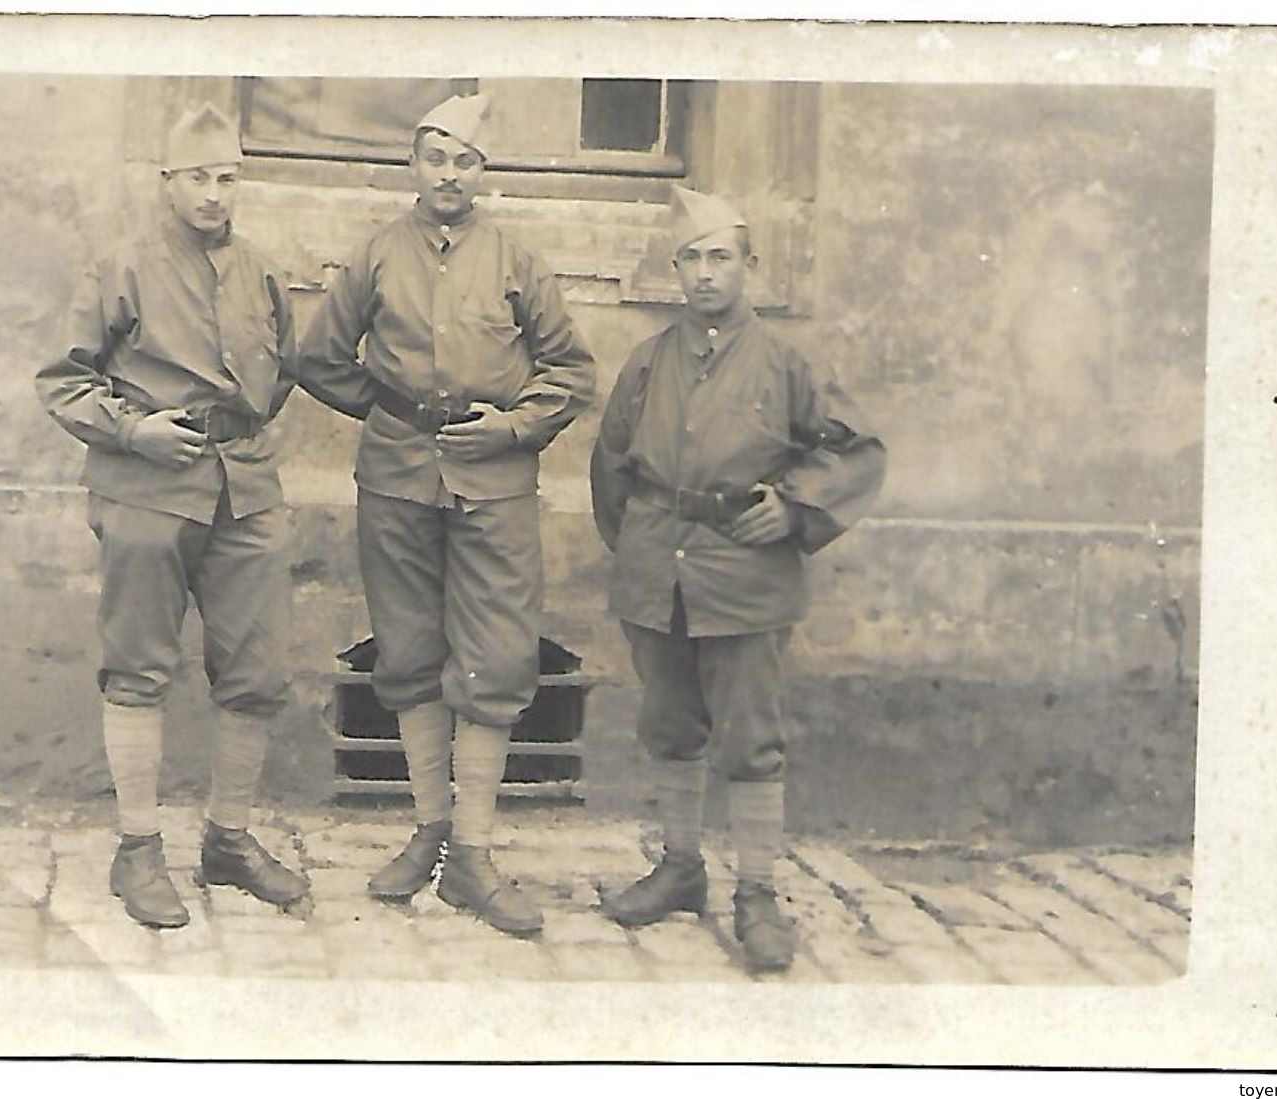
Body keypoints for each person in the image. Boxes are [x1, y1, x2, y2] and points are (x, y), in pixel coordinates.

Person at [297, 93, 596, 935]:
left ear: (482, 171)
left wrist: (509, 427)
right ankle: (428, 826)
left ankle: (471, 850)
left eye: (465, 160)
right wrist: (391, 413)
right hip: (395, 479)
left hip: (493, 483)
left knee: (496, 656)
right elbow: (317, 356)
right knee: (409, 648)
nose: (449, 175)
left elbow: (571, 370)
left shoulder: (515, 260)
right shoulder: (377, 256)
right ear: (414, 165)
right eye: (436, 158)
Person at [589, 187, 886, 972]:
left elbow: (852, 453)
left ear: (748, 266)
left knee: (751, 737)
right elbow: (611, 464)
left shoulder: (787, 362)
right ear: (675, 268)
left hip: (746, 575)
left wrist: (791, 510)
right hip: (658, 569)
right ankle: (680, 865)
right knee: (669, 722)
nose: (705, 273)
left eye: (721, 256)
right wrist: (640, 547)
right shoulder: (648, 361)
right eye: (692, 257)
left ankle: (755, 890)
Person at [36, 103, 308, 929]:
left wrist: (241, 437)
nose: (214, 194)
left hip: (245, 492)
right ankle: (137, 847)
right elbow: (62, 381)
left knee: (257, 672)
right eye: (198, 177)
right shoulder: (122, 267)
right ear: (168, 182)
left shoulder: (261, 271)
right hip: (147, 490)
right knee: (138, 668)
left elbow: (284, 371)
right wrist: (135, 429)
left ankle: (228, 839)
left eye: (227, 177)